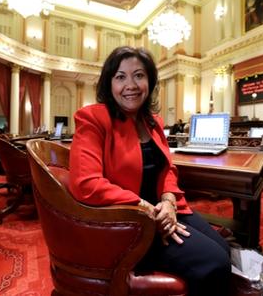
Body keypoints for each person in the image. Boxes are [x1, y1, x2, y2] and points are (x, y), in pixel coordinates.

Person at [69, 46, 231, 296]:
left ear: (150, 81)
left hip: (162, 208)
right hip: (127, 220)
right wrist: (146, 209)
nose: (130, 84)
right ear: (109, 84)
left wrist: (168, 202)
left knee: (224, 249)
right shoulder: (93, 118)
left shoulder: (152, 122)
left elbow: (167, 169)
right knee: (214, 263)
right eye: (120, 77)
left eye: (139, 75)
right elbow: (86, 184)